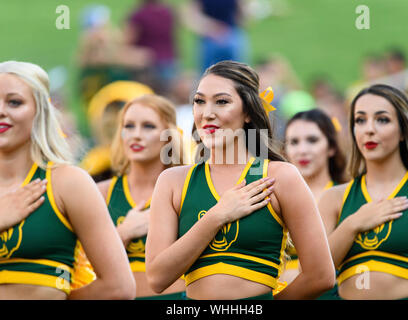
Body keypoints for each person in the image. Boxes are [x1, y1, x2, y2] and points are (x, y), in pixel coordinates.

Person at [145, 60, 335, 300]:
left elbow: (321, 276)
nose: (207, 113)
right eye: (199, 101)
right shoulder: (172, 181)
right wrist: (217, 216)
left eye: (222, 101)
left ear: (247, 112)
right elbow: (157, 279)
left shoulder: (280, 176)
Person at [0, 61, 135, 299]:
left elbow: (119, 287)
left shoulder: (68, 183)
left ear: (39, 110)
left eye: (14, 102)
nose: (1, 110)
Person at [319, 84, 408, 300]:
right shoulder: (335, 198)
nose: (369, 129)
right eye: (360, 120)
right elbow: (317, 272)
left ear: (403, 131)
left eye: (382, 119)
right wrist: (354, 224)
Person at [97, 94, 187, 299]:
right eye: (128, 126)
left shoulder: (188, 188)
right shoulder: (101, 193)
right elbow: (80, 268)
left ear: (170, 135)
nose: (136, 135)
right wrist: (122, 233)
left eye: (148, 126)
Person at [281, 108, 347, 295]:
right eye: (294, 142)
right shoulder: (273, 196)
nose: (302, 150)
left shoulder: (349, 195)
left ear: (331, 147)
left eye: (312, 140)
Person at [182, 0, 249, 74]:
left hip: (228, 34)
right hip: (210, 37)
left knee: (237, 73)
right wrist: (212, 28)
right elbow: (192, 15)